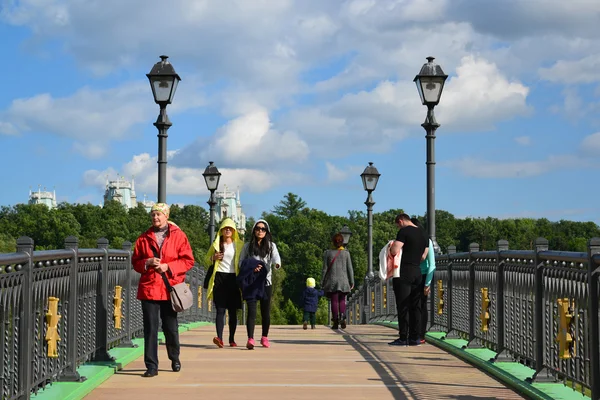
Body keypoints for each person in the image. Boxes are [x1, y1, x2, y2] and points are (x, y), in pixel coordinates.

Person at [132, 203, 194, 377]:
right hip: (150, 288)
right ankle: (151, 366)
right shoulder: (143, 238)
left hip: (169, 288)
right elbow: (136, 261)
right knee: (150, 329)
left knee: (170, 327)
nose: (155, 218)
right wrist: (147, 263)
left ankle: (175, 358)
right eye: (153, 215)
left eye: (159, 214)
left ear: (166, 216)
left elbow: (188, 261)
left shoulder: (179, 236)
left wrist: (169, 266)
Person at [239, 219, 281, 349]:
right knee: (251, 311)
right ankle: (250, 338)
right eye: (258, 228)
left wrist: (277, 264)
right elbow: (241, 262)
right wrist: (251, 268)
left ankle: (264, 337)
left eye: (263, 229)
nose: (260, 231)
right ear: (254, 230)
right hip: (251, 282)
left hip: (265, 282)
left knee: (265, 311)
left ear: (266, 231)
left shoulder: (271, 246)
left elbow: (276, 258)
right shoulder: (247, 246)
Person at [388, 213, 428, 347]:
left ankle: (403, 337)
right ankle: (415, 337)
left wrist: (391, 246)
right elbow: (423, 256)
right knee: (415, 305)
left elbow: (394, 251)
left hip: (404, 272)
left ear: (400, 221)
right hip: (417, 271)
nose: (398, 227)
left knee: (403, 305)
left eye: (397, 225)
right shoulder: (423, 234)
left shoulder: (404, 232)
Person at [204, 218, 244, 348]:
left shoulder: (239, 245)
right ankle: (219, 338)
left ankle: (231, 339)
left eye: (230, 228)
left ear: (234, 231)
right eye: (225, 228)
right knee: (220, 310)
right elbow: (206, 259)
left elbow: (244, 261)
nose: (227, 230)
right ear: (221, 230)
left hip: (233, 278)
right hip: (219, 277)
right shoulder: (216, 244)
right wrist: (213, 258)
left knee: (232, 311)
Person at [410, 218, 436, 344]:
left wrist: (427, 284)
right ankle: (414, 333)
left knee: (421, 305)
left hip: (424, 276)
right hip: (412, 275)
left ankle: (421, 334)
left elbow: (432, 264)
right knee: (412, 305)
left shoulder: (427, 242)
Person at [321, 233, 354, 330]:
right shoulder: (346, 253)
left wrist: (322, 281)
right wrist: (352, 281)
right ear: (342, 242)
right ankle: (343, 316)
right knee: (342, 300)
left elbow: (324, 269)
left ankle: (335, 321)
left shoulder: (328, 253)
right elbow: (350, 269)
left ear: (333, 242)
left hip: (332, 281)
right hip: (344, 281)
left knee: (334, 301)